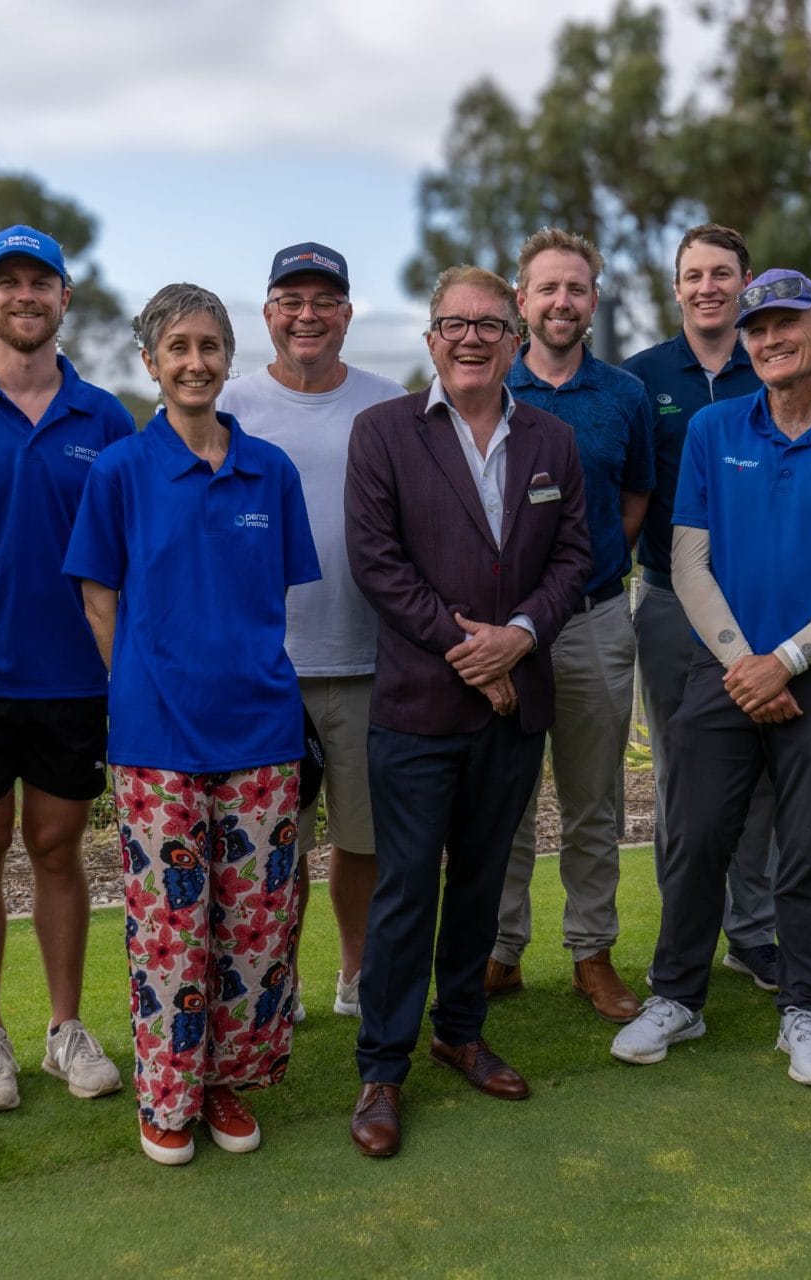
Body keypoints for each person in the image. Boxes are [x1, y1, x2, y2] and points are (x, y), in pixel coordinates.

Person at [611, 269, 811, 1090]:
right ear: (744, 344)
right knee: (697, 835)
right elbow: (688, 560)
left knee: (806, 845)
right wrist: (744, 659)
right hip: (726, 665)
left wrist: (787, 661)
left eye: (787, 324)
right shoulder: (714, 428)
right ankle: (678, 995)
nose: (771, 340)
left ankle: (804, 1010)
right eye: (757, 330)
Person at [64, 283, 319, 1166]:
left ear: (228, 355)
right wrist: (142, 681)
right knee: (172, 931)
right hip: (157, 743)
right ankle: (167, 1094)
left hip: (261, 736)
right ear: (150, 363)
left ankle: (224, 1082)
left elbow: (269, 595)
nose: (196, 362)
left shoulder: (270, 473)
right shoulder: (120, 472)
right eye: (177, 348)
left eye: (210, 345)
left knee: (254, 927)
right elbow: (101, 600)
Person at [345, 265, 590, 1157]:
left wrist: (517, 640)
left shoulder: (553, 443)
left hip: (513, 707)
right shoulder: (383, 434)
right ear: (432, 339)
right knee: (407, 890)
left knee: (483, 884)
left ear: (514, 338)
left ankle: (460, 1031)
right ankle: (382, 1068)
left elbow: (572, 559)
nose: (474, 338)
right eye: (457, 324)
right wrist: (474, 656)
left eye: (491, 325)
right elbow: (378, 565)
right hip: (417, 709)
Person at [0, 226, 132, 1113]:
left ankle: (63, 1029)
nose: (23, 296)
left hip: (73, 680)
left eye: (38, 282)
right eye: (5, 282)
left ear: (63, 297)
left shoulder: (107, 419)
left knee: (56, 849)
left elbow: (127, 559)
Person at [219, 242, 405, 1021]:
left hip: (368, 659)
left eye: (323, 301)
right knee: (271, 843)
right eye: (290, 301)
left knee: (362, 840)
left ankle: (355, 976)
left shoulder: (389, 401)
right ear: (267, 315)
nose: (307, 315)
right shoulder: (226, 402)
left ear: (346, 315)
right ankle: (276, 976)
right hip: (265, 666)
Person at [486, 228, 653, 1023]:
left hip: (591, 621)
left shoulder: (622, 397)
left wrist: (589, 569)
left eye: (575, 289)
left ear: (593, 300)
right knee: (507, 800)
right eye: (546, 288)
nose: (561, 302)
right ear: (521, 302)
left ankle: (592, 951)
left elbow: (632, 502)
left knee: (594, 802)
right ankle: (502, 951)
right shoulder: (487, 385)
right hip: (504, 635)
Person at [621, 224, 783, 992]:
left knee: (759, 777)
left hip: (766, 608)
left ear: (745, 282)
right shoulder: (640, 378)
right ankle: (685, 931)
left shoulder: (779, 364)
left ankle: (753, 933)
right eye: (695, 275)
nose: (709, 286)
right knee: (682, 778)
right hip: (665, 600)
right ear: (676, 286)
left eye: (723, 273)